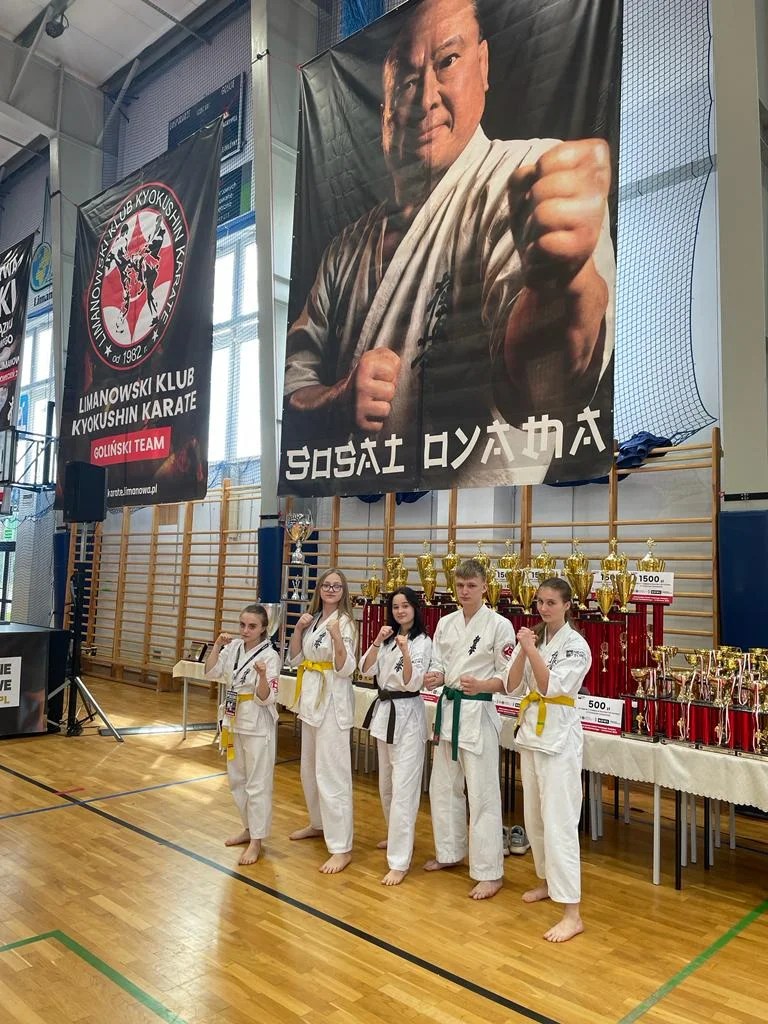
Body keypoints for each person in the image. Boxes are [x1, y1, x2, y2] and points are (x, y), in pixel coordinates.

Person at [280, 0, 615, 492]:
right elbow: (294, 391)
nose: (427, 98)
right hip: (360, 505)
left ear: (484, 66)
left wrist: (562, 286)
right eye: (407, 81)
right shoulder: (343, 252)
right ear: (385, 112)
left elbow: (542, 392)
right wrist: (338, 399)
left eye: (447, 61)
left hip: (490, 514)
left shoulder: (522, 177)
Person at [505, 576, 591, 942]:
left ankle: (572, 912)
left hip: (559, 741)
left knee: (559, 823)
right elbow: (512, 686)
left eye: (551, 602)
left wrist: (530, 649)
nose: (543, 608)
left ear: (567, 605)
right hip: (532, 736)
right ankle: (546, 881)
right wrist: (524, 649)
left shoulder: (577, 646)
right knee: (535, 818)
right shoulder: (537, 638)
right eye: (540, 601)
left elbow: (550, 686)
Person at [423, 558, 515, 899]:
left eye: (471, 586)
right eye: (460, 585)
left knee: (483, 795)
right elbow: (438, 662)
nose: (464, 591)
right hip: (449, 711)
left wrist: (483, 685)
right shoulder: (445, 623)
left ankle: (490, 872)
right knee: (443, 787)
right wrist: (435, 675)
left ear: (484, 588)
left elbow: (508, 677)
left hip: (478, 714)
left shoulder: (499, 625)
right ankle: (449, 852)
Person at [359, 586, 432, 885]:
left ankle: (400, 861)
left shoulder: (423, 642)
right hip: (385, 712)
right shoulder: (387, 639)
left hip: (408, 716)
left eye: (405, 606)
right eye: (396, 606)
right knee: (387, 785)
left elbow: (413, 682)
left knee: (404, 790)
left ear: (415, 608)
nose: (400, 611)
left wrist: (405, 651)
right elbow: (365, 669)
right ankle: (396, 836)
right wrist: (378, 641)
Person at [286, 567, 357, 873]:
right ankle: (318, 823)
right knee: (309, 769)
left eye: (336, 586)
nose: (330, 590)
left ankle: (341, 847)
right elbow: (295, 659)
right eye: (326, 585)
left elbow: (346, 668)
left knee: (332, 774)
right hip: (312, 698)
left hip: (332, 702)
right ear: (319, 589)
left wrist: (338, 638)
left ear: (343, 592)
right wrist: (298, 630)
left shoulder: (346, 622)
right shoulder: (313, 619)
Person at [205, 604, 280, 866]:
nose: (245, 630)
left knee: (257, 783)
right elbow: (211, 672)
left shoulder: (270, 656)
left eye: (252, 626)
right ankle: (248, 829)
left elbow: (267, 697)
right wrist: (217, 646)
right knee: (237, 779)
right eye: (242, 625)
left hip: (257, 722)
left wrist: (262, 675)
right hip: (232, 718)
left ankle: (257, 840)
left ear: (263, 629)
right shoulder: (233, 647)